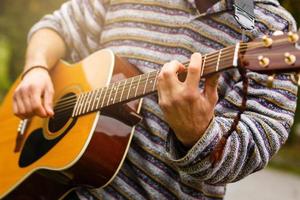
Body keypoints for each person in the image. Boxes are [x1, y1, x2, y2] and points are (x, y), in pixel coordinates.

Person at [13, 0, 298, 199]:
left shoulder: (273, 30)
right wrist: (36, 68)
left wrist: (197, 134)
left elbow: (258, 141)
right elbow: (57, 25)